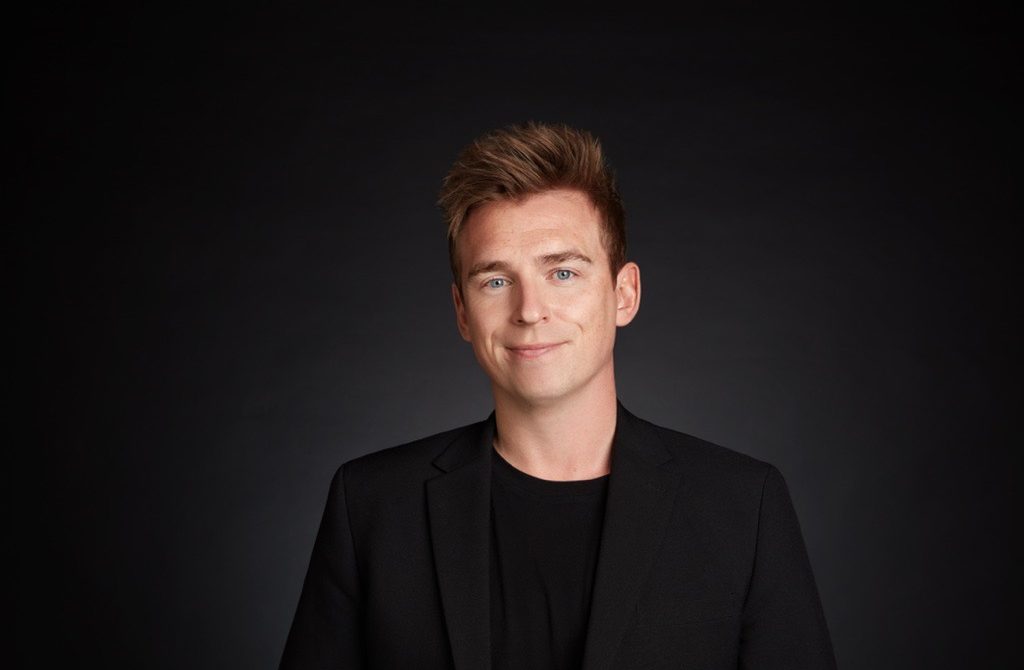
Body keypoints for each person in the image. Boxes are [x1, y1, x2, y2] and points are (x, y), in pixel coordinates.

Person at [280, 122, 837, 669]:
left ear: (624, 294)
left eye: (563, 273)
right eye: (495, 281)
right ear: (462, 313)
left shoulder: (742, 507)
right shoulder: (371, 505)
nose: (529, 310)